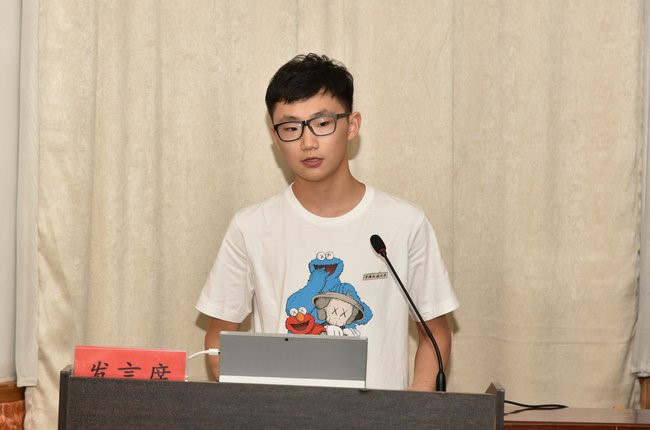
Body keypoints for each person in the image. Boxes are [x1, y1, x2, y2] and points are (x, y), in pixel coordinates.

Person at [195, 53, 458, 391]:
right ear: (275, 137)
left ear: (352, 126)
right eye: (291, 128)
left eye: (322, 124)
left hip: (380, 415)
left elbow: (435, 334)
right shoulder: (250, 227)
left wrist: (409, 410)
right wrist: (257, 404)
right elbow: (219, 338)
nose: (308, 143)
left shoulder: (405, 223)